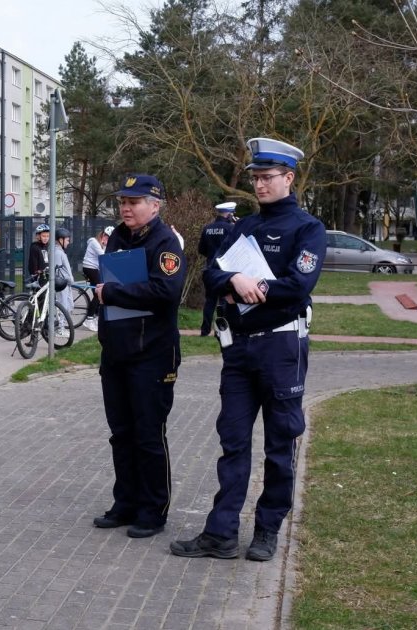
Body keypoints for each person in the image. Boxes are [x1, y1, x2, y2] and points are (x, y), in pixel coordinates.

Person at [170, 138, 325, 562]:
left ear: (288, 178)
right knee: (233, 442)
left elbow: (298, 285)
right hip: (239, 351)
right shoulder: (244, 227)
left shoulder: (308, 228)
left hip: (281, 349)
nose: (259, 184)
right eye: (255, 177)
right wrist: (234, 280)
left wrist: (253, 286)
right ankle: (220, 533)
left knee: (280, 444)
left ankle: (267, 530)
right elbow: (212, 274)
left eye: (267, 177)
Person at [92, 174, 185, 539]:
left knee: (148, 434)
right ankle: (126, 503)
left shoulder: (166, 242)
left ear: (155, 206)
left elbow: (166, 291)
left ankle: (153, 510)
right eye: (122, 202)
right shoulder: (118, 236)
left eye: (133, 202)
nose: (125, 208)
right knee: (121, 433)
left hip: (153, 354)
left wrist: (112, 293)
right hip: (117, 351)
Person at [197, 202, 238, 336]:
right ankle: (222, 330)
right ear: (229, 214)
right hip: (225, 271)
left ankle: (205, 330)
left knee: (209, 301)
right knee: (224, 301)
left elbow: (201, 250)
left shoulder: (207, 228)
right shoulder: (231, 228)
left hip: (209, 269)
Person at [80, 226, 111, 332]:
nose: (107, 239)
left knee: (97, 293)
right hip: (90, 268)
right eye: (107, 237)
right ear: (103, 235)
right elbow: (104, 256)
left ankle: (95, 316)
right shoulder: (94, 242)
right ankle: (89, 319)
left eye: (109, 238)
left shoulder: (102, 245)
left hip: (95, 269)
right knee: (98, 294)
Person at [52, 227, 75, 338]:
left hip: (66, 283)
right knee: (63, 306)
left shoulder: (60, 252)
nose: (68, 242)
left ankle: (62, 327)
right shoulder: (57, 253)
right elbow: (58, 271)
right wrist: (68, 279)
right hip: (61, 284)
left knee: (68, 305)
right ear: (61, 240)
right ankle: (60, 329)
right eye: (67, 240)